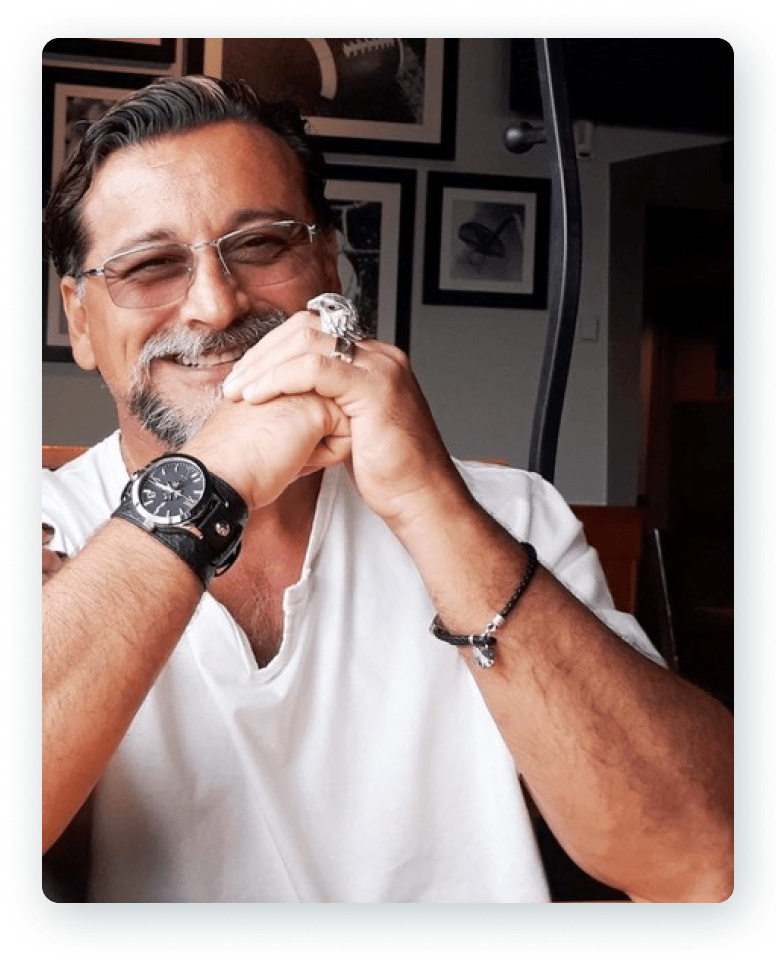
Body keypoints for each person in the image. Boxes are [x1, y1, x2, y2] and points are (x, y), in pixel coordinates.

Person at [41, 75, 733, 904]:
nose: (216, 305)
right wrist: (207, 483)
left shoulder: (510, 514)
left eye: (261, 245)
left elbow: (710, 855)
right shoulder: (43, 528)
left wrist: (430, 502)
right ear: (80, 319)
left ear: (327, 264)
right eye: (150, 265)